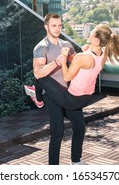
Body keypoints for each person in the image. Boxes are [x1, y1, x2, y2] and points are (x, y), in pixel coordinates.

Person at [25, 24, 119, 110]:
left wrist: (63, 58)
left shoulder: (82, 57)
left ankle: (38, 100)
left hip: (71, 100)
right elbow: (89, 63)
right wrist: (87, 51)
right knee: (78, 128)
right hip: (87, 98)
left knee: (40, 76)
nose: (90, 33)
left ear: (96, 40)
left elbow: (66, 77)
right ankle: (39, 95)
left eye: (92, 32)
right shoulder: (104, 54)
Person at [27, 13, 85, 165]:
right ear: (46, 26)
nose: (58, 28)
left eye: (59, 25)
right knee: (57, 133)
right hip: (53, 95)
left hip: (68, 93)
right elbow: (38, 73)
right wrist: (56, 63)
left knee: (80, 127)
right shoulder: (41, 47)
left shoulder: (67, 45)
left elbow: (78, 62)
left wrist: (86, 54)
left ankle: (76, 161)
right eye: (54, 25)